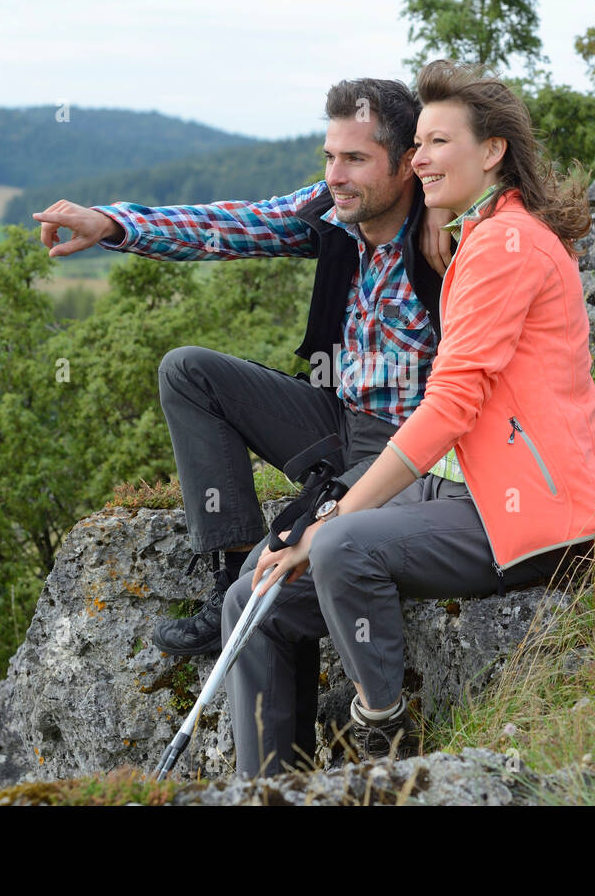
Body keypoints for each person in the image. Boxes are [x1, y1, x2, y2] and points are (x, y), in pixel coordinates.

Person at [224, 59, 595, 778]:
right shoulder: (478, 237)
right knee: (254, 593)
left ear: (492, 150)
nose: (418, 160)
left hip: (532, 507)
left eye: (437, 142)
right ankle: (269, 788)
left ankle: (384, 744)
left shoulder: (507, 246)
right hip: (464, 487)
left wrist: (335, 517)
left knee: (341, 546)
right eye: (415, 144)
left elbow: (448, 405)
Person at [32, 78, 455, 765]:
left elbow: (522, 215)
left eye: (354, 160)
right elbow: (231, 225)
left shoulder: (449, 236)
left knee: (267, 593)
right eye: (329, 156)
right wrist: (111, 223)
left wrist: (449, 216)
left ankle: (274, 778)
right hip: (335, 416)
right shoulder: (332, 214)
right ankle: (225, 562)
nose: (334, 177)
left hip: (409, 454)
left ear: (407, 163)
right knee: (187, 369)